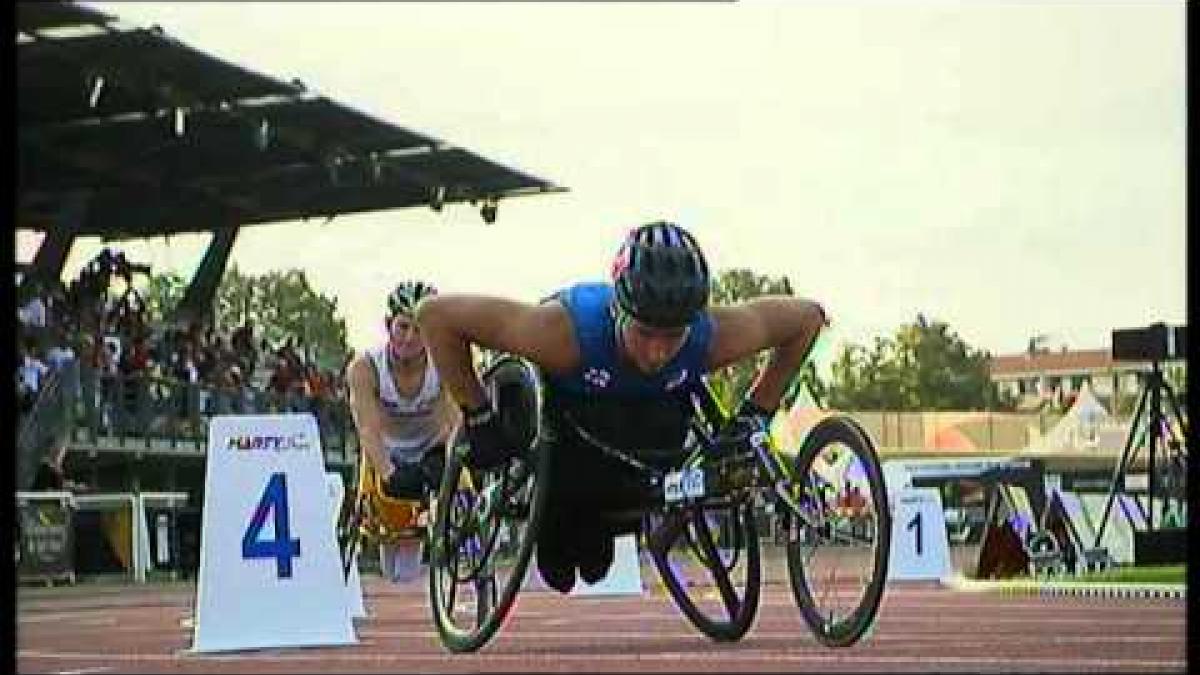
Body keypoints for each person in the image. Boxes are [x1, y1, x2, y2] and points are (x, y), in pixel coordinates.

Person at [416, 220, 828, 593]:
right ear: (619, 311)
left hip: (648, 439)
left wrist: (756, 413)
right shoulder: (565, 333)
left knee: (598, 560)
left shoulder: (710, 336)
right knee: (561, 564)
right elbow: (435, 316)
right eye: (646, 333)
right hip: (570, 433)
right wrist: (479, 415)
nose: (658, 352)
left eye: (673, 336)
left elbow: (808, 318)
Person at [345, 280, 459, 581]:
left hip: (432, 447)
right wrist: (389, 472)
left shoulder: (447, 361)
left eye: (420, 329)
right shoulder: (365, 367)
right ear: (388, 325)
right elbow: (367, 429)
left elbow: (455, 422)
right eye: (403, 327)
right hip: (385, 451)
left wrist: (441, 456)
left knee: (462, 487)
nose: (410, 338)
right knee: (394, 563)